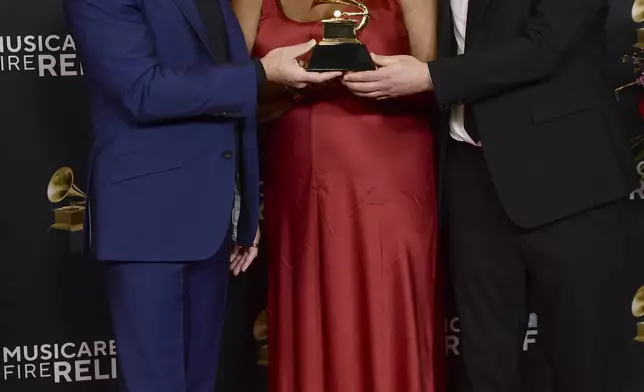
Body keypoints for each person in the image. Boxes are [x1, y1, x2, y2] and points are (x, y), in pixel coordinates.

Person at [344, 0, 641, 391]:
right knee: (485, 364)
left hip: (569, 175)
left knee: (587, 361)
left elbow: (546, 47)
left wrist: (431, 77)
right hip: (471, 175)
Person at [63, 0, 339, 391]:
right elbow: (143, 90)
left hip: (210, 220)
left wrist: (241, 210)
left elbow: (230, 105)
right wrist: (261, 73)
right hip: (145, 221)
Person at [231, 0, 444, 391]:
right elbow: (229, 89)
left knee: (387, 317)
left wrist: (389, 81)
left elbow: (434, 82)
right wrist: (292, 89)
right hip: (297, 191)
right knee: (310, 317)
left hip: (390, 184)